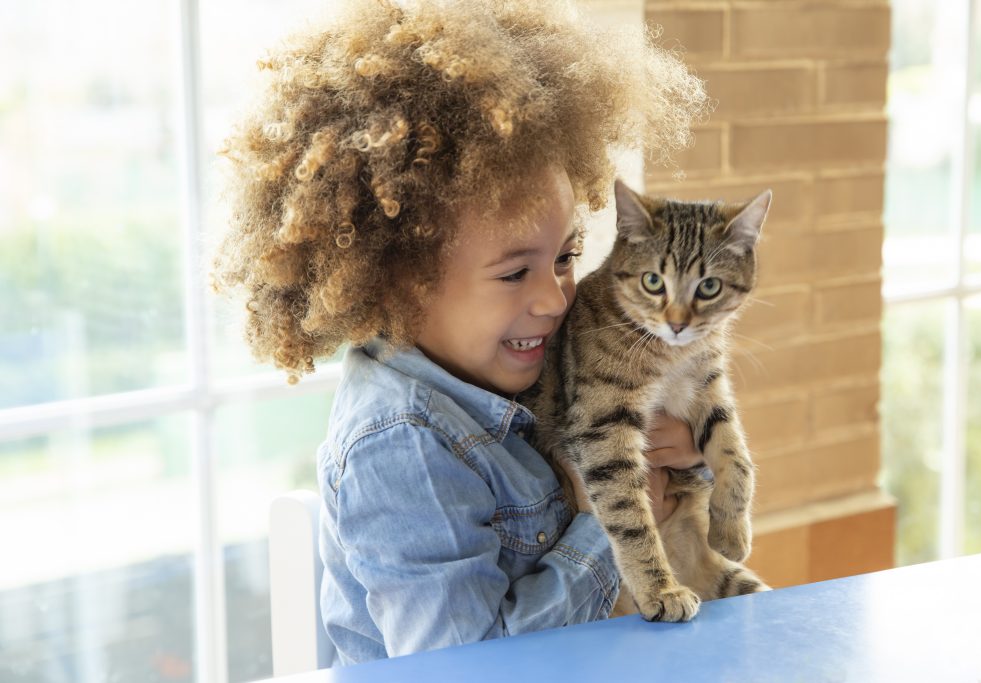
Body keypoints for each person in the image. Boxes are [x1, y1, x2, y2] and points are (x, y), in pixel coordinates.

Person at [212, 0, 708, 666]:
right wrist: (605, 525)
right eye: (513, 274)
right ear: (401, 279)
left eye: (565, 256)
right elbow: (465, 666)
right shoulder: (402, 447)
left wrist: (679, 457)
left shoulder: (518, 362)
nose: (555, 297)